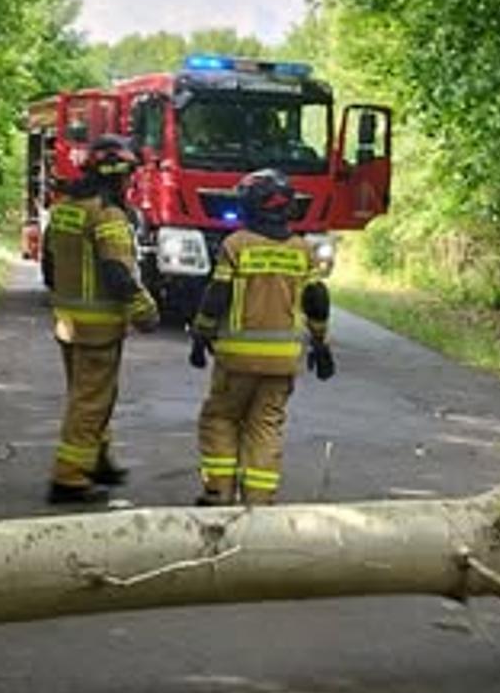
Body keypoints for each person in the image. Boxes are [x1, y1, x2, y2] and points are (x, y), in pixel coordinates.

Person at [188, 169, 334, 506]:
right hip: (282, 361)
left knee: (221, 418)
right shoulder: (302, 250)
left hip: (236, 359)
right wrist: (321, 344)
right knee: (266, 425)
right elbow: (317, 301)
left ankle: (218, 493)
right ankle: (259, 501)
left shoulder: (235, 245)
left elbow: (217, 294)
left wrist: (201, 333)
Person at [42, 134, 159, 505]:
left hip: (67, 322)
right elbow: (117, 272)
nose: (130, 183)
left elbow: (48, 262)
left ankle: (98, 460)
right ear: (118, 176)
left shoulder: (65, 208)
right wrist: (144, 310)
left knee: (88, 394)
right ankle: (69, 478)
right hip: (97, 328)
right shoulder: (107, 214)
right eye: (128, 176)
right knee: (91, 401)